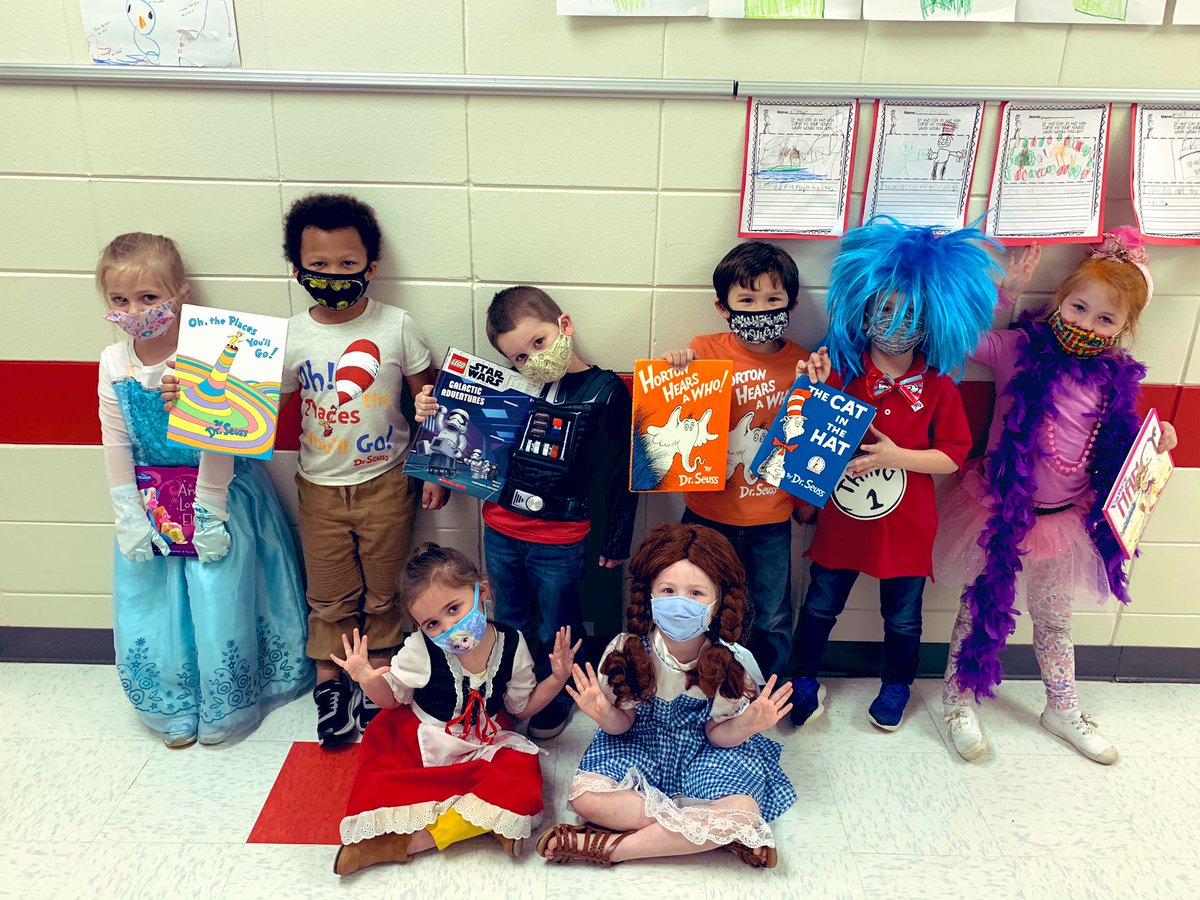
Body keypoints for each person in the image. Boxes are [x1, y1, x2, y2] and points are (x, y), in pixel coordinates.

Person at [937, 228, 1178, 765]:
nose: (1086, 323)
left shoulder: (1115, 381)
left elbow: (1121, 444)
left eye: (1105, 318)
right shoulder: (1016, 352)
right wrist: (1005, 294)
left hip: (1062, 521)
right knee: (978, 610)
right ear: (1060, 299)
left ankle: (1061, 706)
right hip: (998, 511)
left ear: (1125, 328)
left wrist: (1157, 441)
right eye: (1078, 306)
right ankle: (958, 699)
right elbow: (960, 339)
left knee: (1054, 618)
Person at [97, 232, 311, 748]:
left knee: (220, 596)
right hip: (153, 504)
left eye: (149, 298)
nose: (134, 310)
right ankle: (173, 699)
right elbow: (115, 440)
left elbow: (220, 434)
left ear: (180, 295)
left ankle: (228, 702)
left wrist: (210, 509)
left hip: (221, 495)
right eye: (120, 300)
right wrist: (128, 512)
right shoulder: (113, 362)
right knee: (159, 605)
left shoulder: (212, 352)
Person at [789, 217, 1001, 732]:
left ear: (935, 319)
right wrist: (807, 394)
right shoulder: (842, 371)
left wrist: (898, 455)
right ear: (864, 310)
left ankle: (898, 683)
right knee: (819, 604)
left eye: (910, 313)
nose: (896, 322)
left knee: (903, 615)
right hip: (841, 520)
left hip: (907, 524)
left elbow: (952, 455)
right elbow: (804, 444)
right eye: (884, 309)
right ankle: (801, 676)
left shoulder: (939, 387)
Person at [414, 286, 638, 739]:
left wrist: (617, 538)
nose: (532, 360)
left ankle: (556, 696)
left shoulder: (607, 391)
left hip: (561, 537)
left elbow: (622, 473)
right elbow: (462, 442)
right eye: (518, 356)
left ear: (564, 326)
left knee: (558, 623)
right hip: (499, 528)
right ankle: (509, 692)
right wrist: (430, 415)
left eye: (539, 343)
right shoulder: (501, 390)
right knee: (509, 617)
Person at [280, 193, 448, 745]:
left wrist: (432, 471)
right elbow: (245, 404)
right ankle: (331, 685)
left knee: (383, 592)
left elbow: (433, 403)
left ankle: (377, 679)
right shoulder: (290, 335)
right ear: (298, 269)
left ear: (371, 268)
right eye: (319, 265)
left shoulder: (397, 326)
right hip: (319, 487)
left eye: (348, 264)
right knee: (329, 596)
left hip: (388, 483)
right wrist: (191, 395)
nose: (333, 274)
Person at [537, 523, 795, 868]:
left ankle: (609, 847)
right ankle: (709, 834)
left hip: (706, 752)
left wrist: (747, 723)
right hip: (638, 743)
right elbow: (621, 725)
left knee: (742, 812)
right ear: (650, 595)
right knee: (586, 798)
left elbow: (719, 736)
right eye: (668, 590)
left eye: (696, 594)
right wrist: (601, 712)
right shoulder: (624, 650)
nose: (680, 603)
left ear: (718, 602)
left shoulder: (732, 662)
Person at [329, 544, 580, 874]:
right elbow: (391, 700)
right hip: (426, 738)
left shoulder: (511, 642)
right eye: (432, 623)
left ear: (482, 592)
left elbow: (520, 709)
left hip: (486, 740)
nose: (449, 627)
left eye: (454, 608)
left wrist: (557, 679)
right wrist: (365, 679)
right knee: (382, 784)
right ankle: (485, 824)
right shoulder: (420, 650)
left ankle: (421, 839)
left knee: (525, 776)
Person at [660, 242, 811, 679]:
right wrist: (677, 368)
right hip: (708, 513)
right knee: (703, 606)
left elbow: (815, 441)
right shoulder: (703, 350)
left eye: (772, 300)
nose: (759, 309)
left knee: (772, 615)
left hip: (770, 519)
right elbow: (677, 412)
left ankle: (767, 691)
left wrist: (806, 505)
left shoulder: (805, 362)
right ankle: (704, 682)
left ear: (792, 304)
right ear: (723, 307)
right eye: (746, 300)